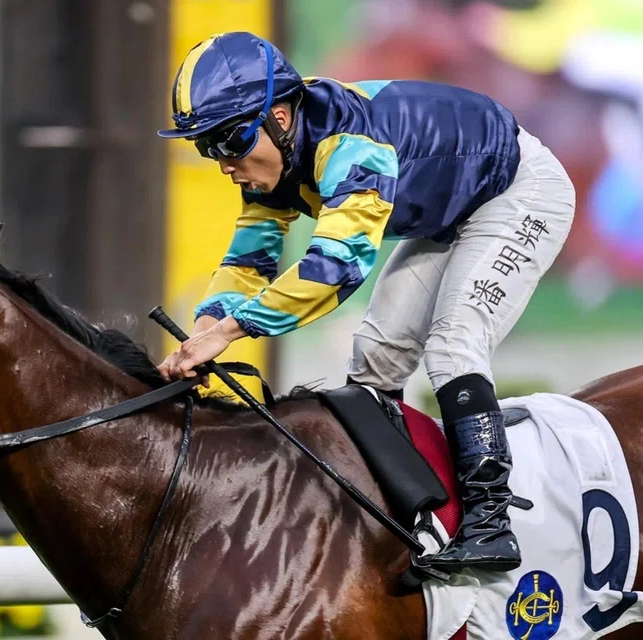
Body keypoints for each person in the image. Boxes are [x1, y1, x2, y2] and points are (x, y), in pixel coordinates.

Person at [155, 31, 575, 573]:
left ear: (280, 117)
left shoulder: (348, 146)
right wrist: (205, 327)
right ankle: (399, 512)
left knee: (452, 346)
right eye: (206, 146)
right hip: (450, 210)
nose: (223, 163)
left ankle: (491, 522)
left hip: (516, 190)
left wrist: (233, 331)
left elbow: (335, 269)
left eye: (229, 142)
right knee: (375, 360)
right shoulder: (270, 149)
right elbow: (248, 261)